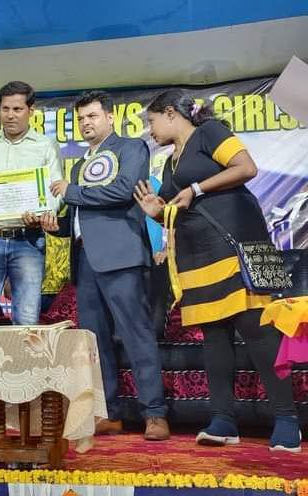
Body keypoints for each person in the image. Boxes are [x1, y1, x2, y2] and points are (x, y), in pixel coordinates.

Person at [133, 89, 301, 452]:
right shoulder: (169, 162)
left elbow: (246, 168)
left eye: (152, 121)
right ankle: (223, 420)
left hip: (234, 247)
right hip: (197, 257)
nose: (151, 130)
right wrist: (158, 213)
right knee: (214, 338)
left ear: (172, 114)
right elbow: (182, 210)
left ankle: (287, 419)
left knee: (257, 331)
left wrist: (196, 187)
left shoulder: (210, 133)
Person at [43, 90, 169, 441]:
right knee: (95, 342)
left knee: (136, 334)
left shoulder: (131, 148)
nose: (86, 123)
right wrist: (55, 225)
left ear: (110, 117)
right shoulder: (79, 165)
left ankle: (155, 413)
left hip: (121, 255)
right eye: (81, 118)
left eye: (93, 116)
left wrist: (71, 191)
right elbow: (79, 216)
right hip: (85, 260)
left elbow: (124, 190)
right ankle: (109, 412)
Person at [0, 81, 63, 326]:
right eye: (5, 108)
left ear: (31, 111)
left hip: (29, 240)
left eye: (17, 109)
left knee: (26, 321)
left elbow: (56, 189)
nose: (10, 115)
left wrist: (44, 213)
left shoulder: (46, 145)